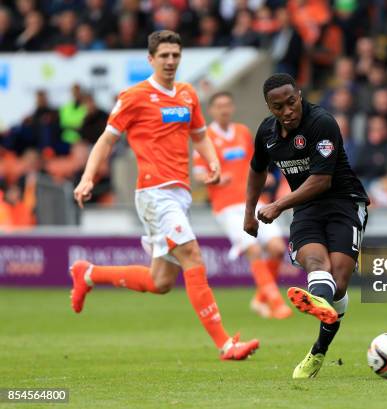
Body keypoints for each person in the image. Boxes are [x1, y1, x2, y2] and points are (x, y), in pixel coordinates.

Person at [71, 30, 258, 361]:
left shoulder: (187, 95)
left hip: (180, 196)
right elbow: (106, 140)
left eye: (175, 55)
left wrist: (213, 161)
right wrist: (88, 178)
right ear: (151, 60)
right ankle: (225, 344)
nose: (170, 61)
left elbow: (200, 136)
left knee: (160, 282)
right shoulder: (134, 96)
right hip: (154, 193)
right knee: (193, 256)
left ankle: (87, 272)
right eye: (164, 56)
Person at [244, 73, 369, 378]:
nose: (288, 110)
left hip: (344, 203)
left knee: (338, 281)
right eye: (279, 107)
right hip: (306, 209)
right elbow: (257, 169)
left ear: (299, 95)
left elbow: (321, 180)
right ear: (269, 108)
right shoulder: (267, 133)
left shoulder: (321, 122)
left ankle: (318, 351)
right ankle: (319, 302)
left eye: (291, 102)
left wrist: (276, 205)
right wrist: (250, 211)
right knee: (316, 262)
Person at [193, 91, 292, 319]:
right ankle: (275, 302)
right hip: (227, 205)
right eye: (219, 106)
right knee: (253, 249)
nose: (224, 109)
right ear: (212, 110)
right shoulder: (205, 137)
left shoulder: (242, 132)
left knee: (277, 248)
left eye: (227, 105)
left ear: (232, 107)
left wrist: (263, 176)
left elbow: (254, 162)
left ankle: (260, 299)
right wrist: (215, 177)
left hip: (254, 200)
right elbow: (198, 173)